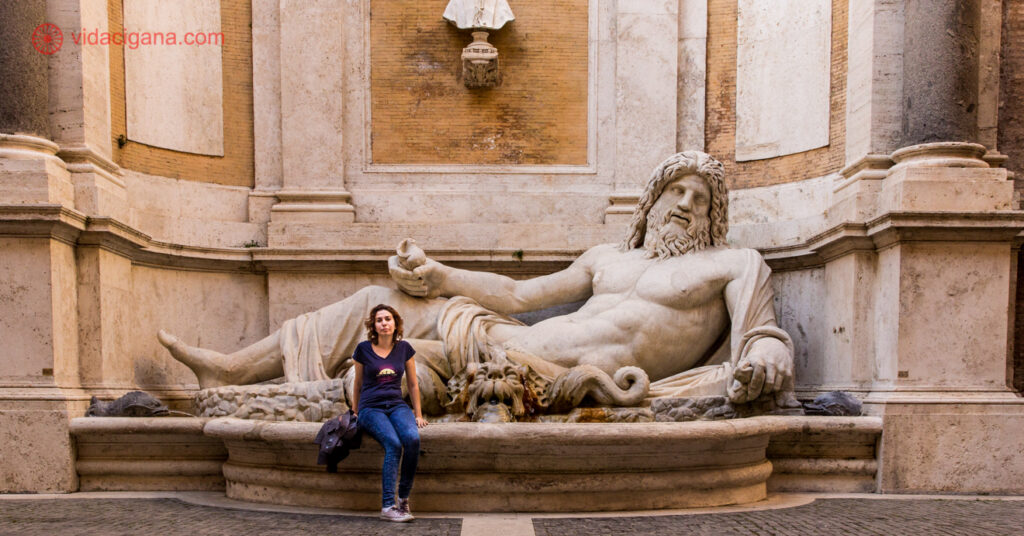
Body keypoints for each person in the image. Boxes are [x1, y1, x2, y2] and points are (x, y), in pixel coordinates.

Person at [158, 151, 796, 408]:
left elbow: (761, 333)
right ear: (651, 202)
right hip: (504, 341)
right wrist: (438, 275)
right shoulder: (609, 258)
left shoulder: (733, 264)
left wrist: (765, 355)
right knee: (379, 300)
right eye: (674, 192)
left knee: (389, 367)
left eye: (701, 197)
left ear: (714, 215)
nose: (686, 203)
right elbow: (521, 296)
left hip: (566, 380)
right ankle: (235, 372)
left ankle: (299, 400)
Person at [351, 304, 428, 522]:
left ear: (395, 323)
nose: (384, 323)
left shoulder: (404, 349)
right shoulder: (363, 349)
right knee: (393, 444)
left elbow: (413, 385)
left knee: (412, 439)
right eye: (379, 320)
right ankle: (387, 506)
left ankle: (403, 498)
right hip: (371, 407)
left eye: (388, 319)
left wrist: (418, 414)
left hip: (396, 404)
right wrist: (356, 412)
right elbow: (357, 384)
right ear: (373, 326)